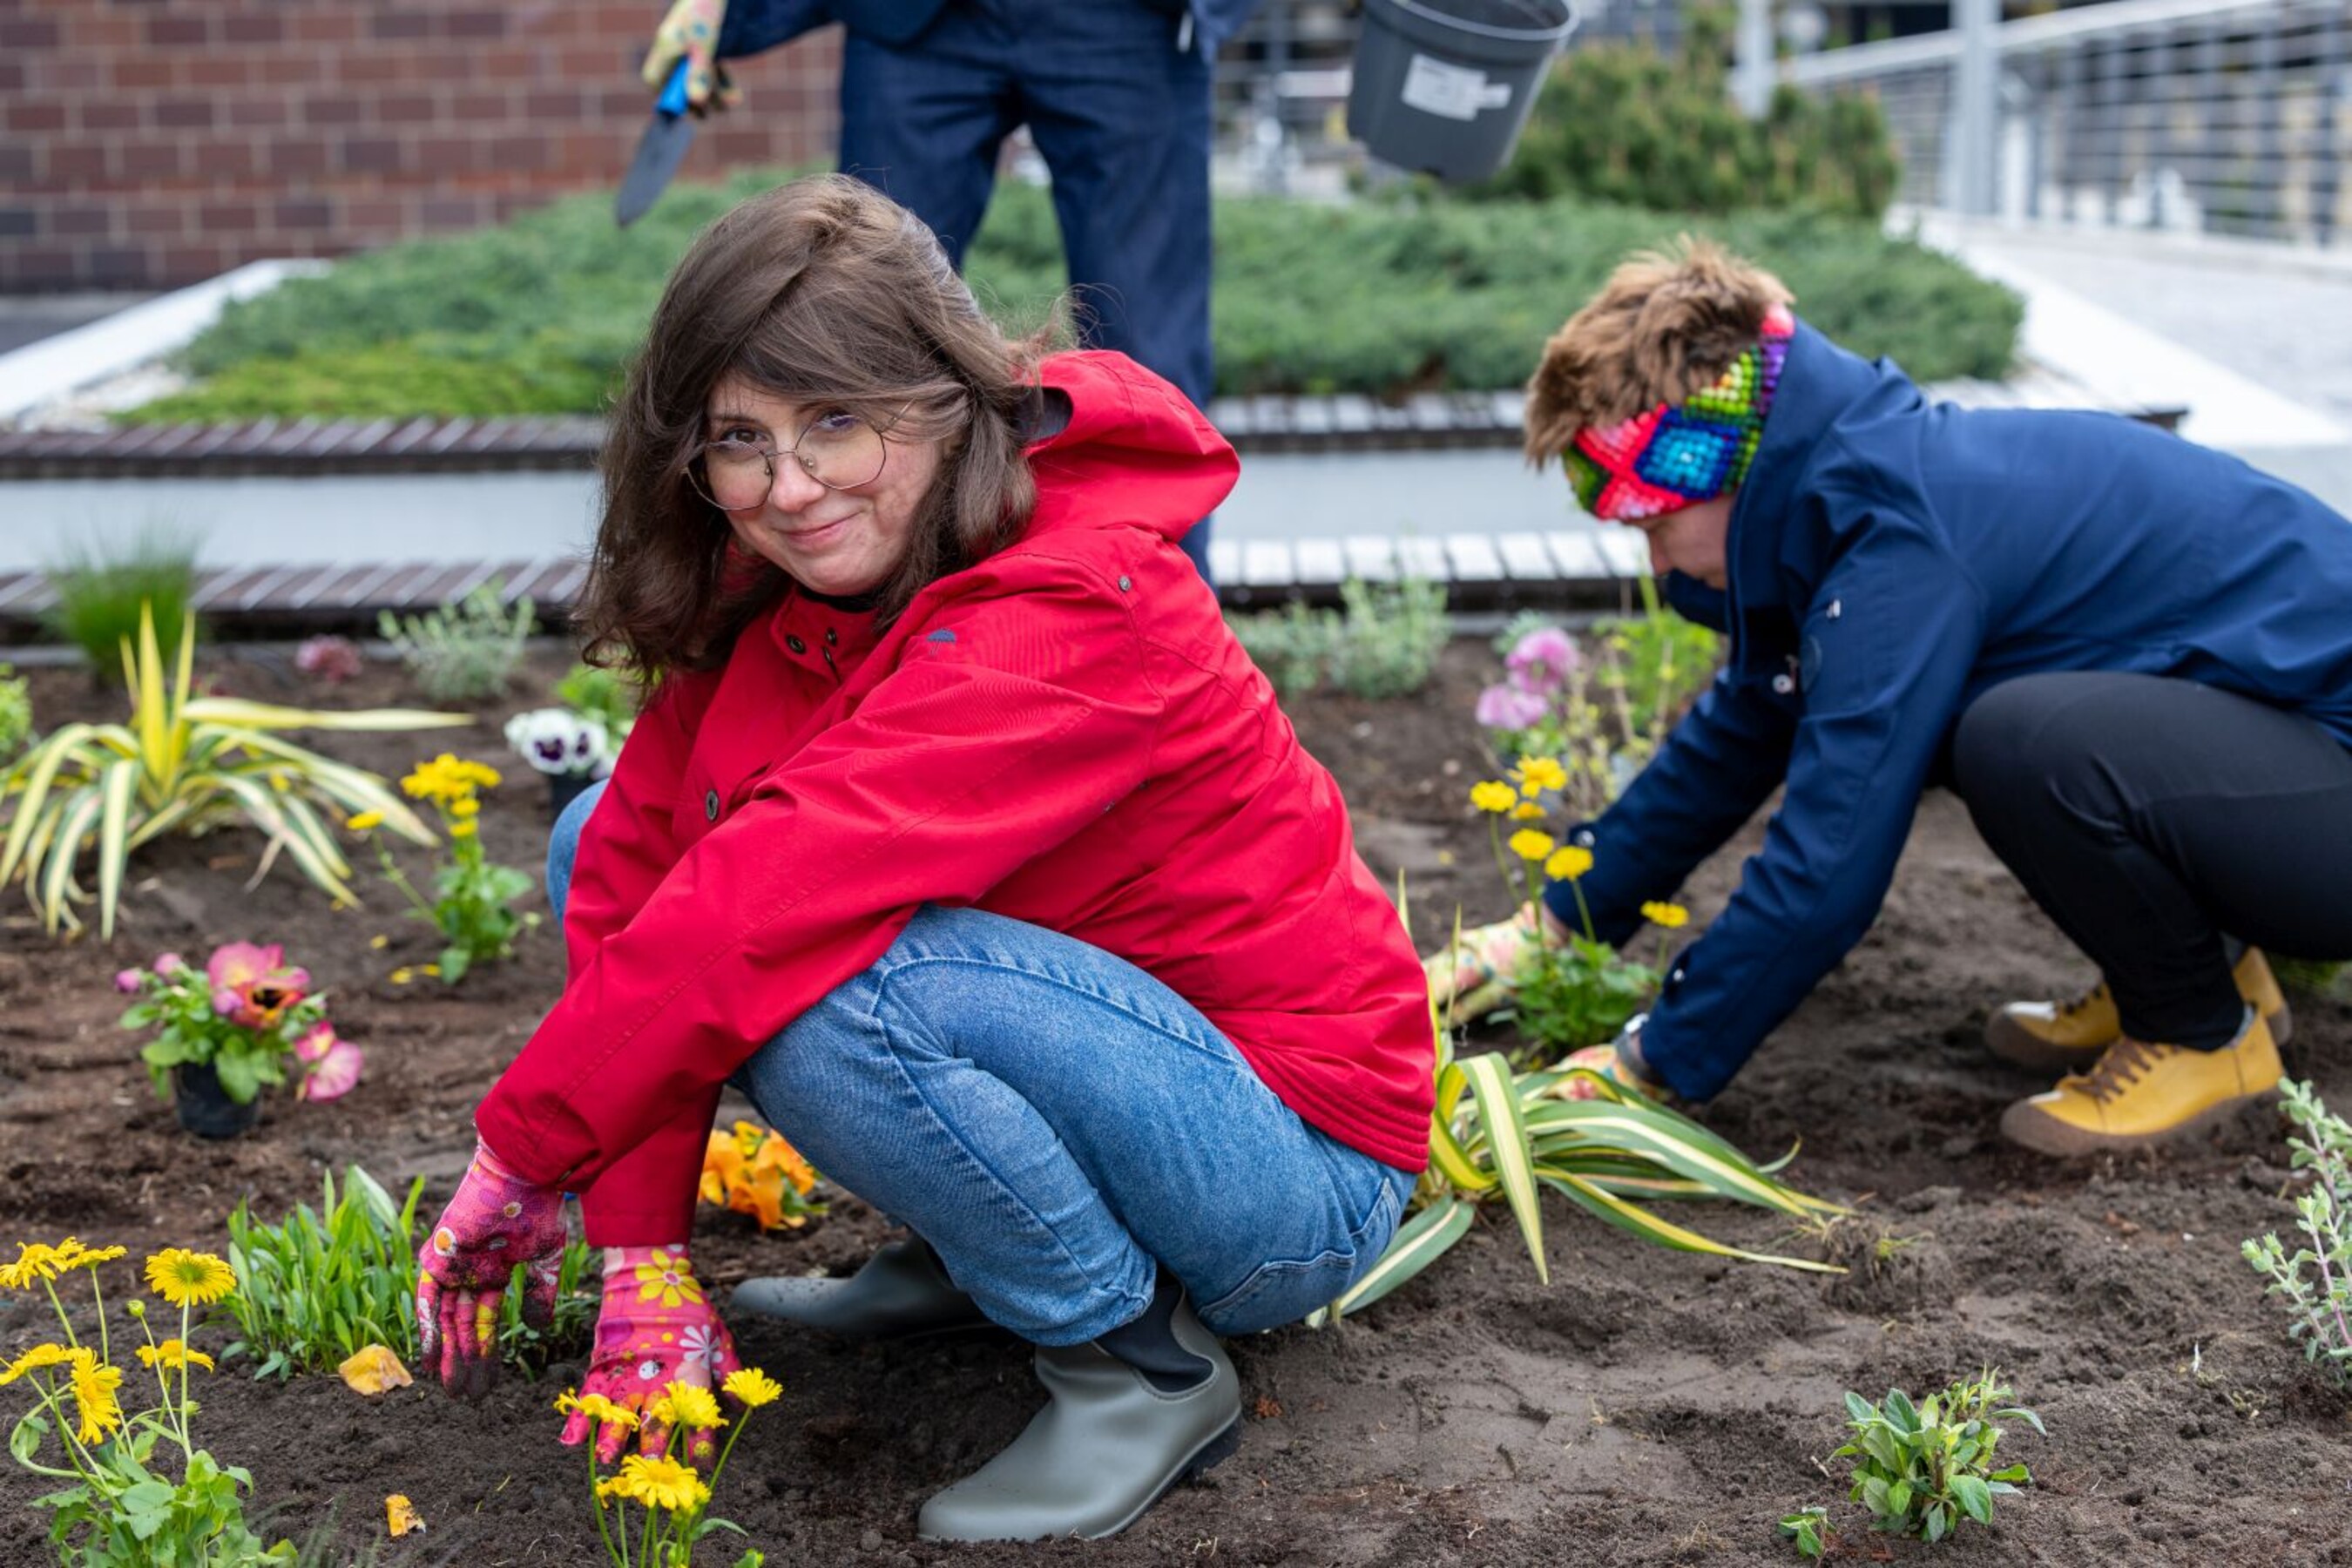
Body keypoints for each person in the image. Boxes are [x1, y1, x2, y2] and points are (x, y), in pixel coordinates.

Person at [410, 175, 1430, 1542]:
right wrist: (641, 1250)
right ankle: (984, 1254)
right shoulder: (796, 576)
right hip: (1107, 1061)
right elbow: (646, 861)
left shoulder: (1078, 602)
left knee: (824, 974)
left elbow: (775, 895)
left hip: (1292, 1166)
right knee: (610, 838)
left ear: (946, 397)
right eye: (739, 439)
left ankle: (1132, 1365)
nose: (790, 486)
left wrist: (521, 1154)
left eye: (838, 420)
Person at [1427, 240, 2352, 1154]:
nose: (1655, 561)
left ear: (1731, 462)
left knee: (2020, 742)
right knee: (1985, 721)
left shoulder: (1898, 549)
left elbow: (1829, 864)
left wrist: (1646, 1066)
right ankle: (2204, 972)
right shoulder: (1847, 500)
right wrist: (1551, 927)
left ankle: (2201, 1035)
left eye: (1653, 522)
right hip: (2292, 770)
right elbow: (1743, 731)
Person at [639, 0, 1263, 584]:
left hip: (1123, 17)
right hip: (915, 19)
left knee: (1152, 348)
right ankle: (856, 656)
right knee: (851, 335)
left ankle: (1159, 634)